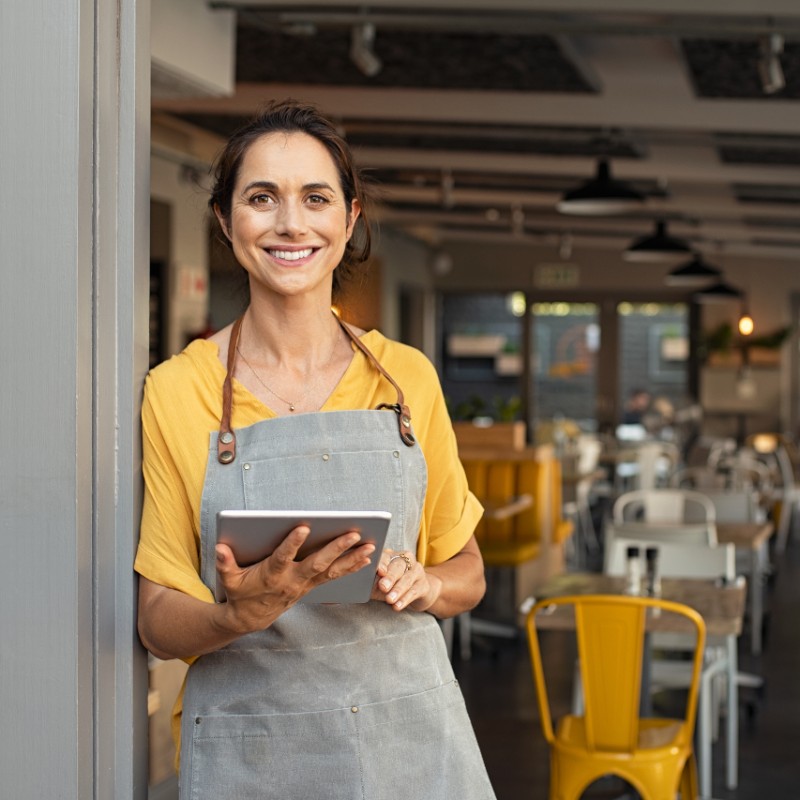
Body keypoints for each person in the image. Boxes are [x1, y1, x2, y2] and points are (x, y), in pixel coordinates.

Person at [135, 99, 496, 800]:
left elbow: (468, 569)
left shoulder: (405, 379)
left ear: (349, 217)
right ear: (225, 220)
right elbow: (156, 620)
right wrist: (236, 614)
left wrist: (428, 584)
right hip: (255, 752)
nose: (290, 223)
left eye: (316, 198)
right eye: (261, 198)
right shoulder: (178, 391)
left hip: (407, 742)